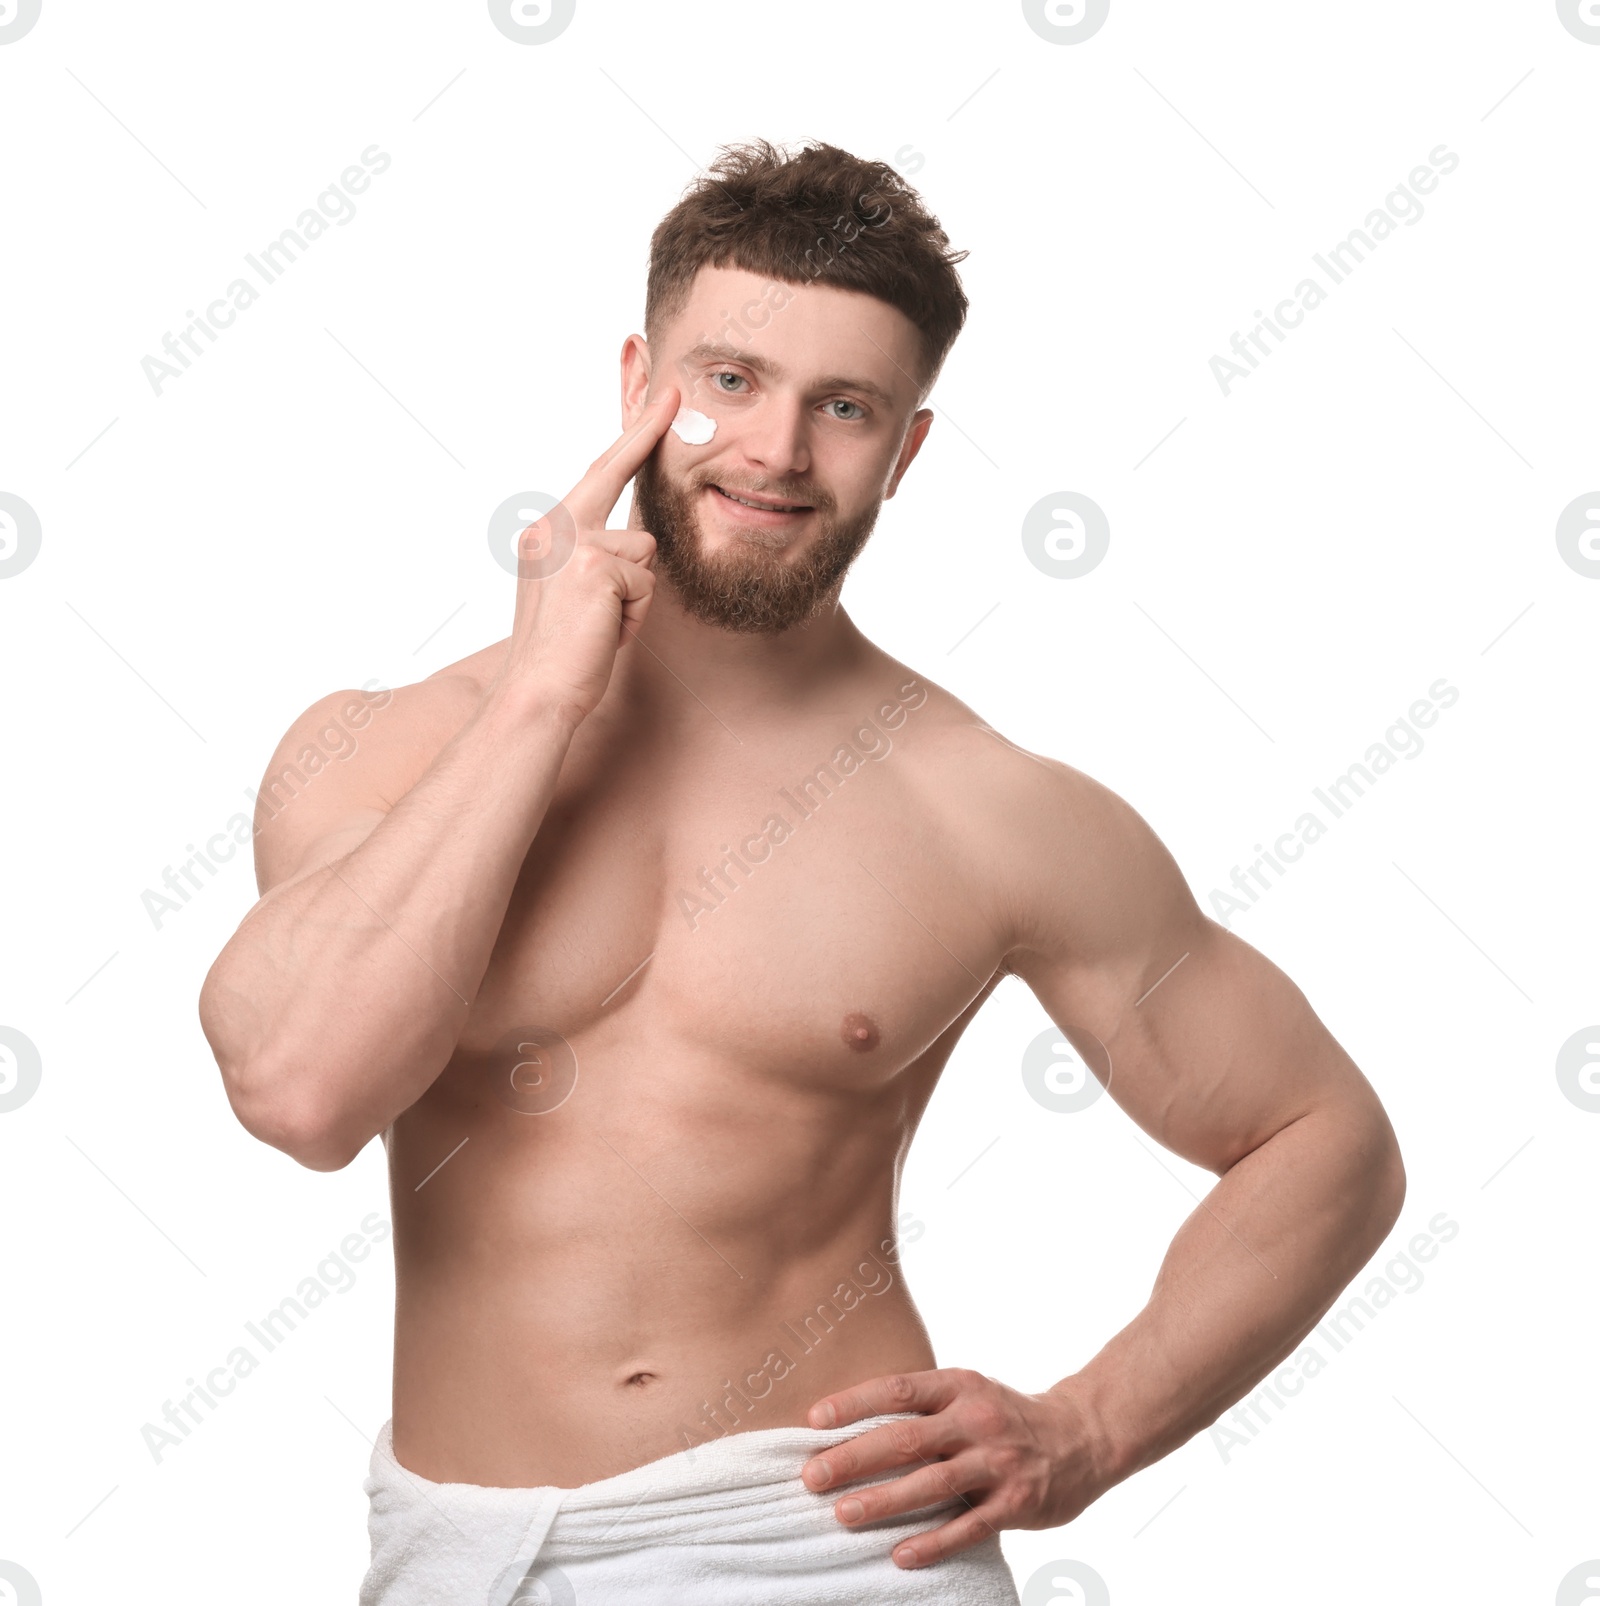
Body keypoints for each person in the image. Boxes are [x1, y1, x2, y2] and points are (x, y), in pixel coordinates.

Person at [199, 139, 1406, 1605]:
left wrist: (1086, 1427)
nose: (776, 450)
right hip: (464, 1554)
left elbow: (1325, 1137)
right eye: (730, 382)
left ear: (903, 450)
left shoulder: (986, 807)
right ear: (639, 378)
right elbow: (302, 1092)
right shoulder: (377, 752)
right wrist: (537, 699)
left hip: (833, 1546)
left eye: (843, 408)